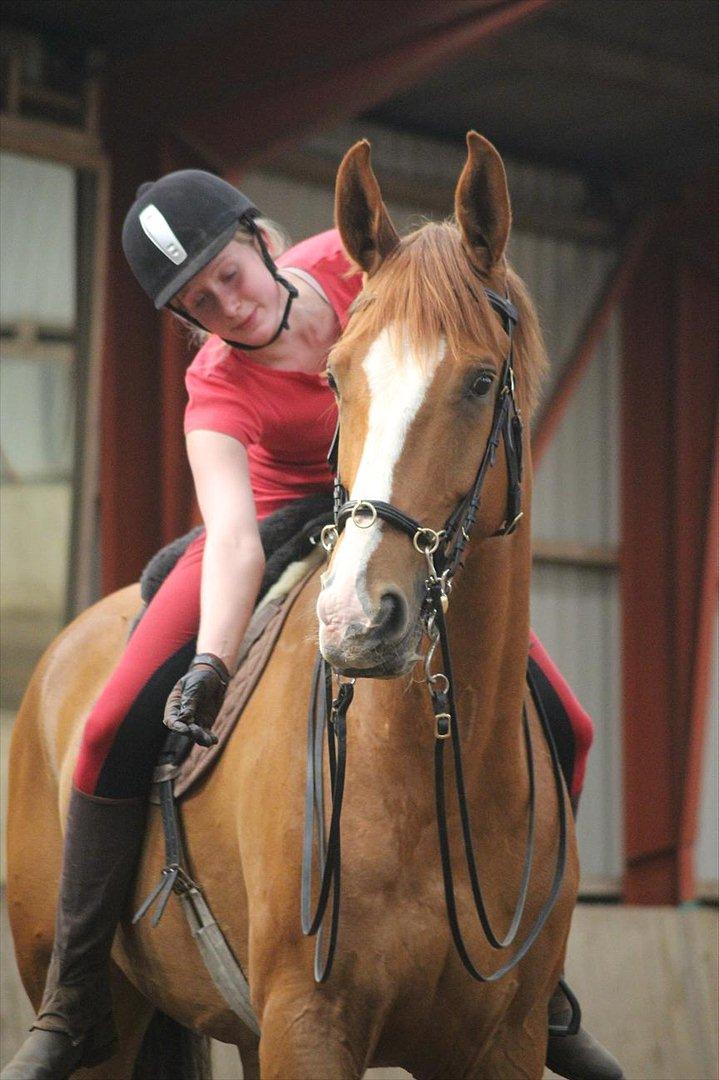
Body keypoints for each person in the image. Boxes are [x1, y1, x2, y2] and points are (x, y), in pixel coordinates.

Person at [2, 171, 621, 1080]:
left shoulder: (354, 264)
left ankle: (541, 983)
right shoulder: (213, 384)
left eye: (228, 272)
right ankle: (74, 1001)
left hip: (393, 517)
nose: (227, 303)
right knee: (101, 729)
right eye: (197, 300)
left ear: (259, 239)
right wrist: (210, 665)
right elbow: (234, 542)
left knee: (567, 722)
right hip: (267, 525)